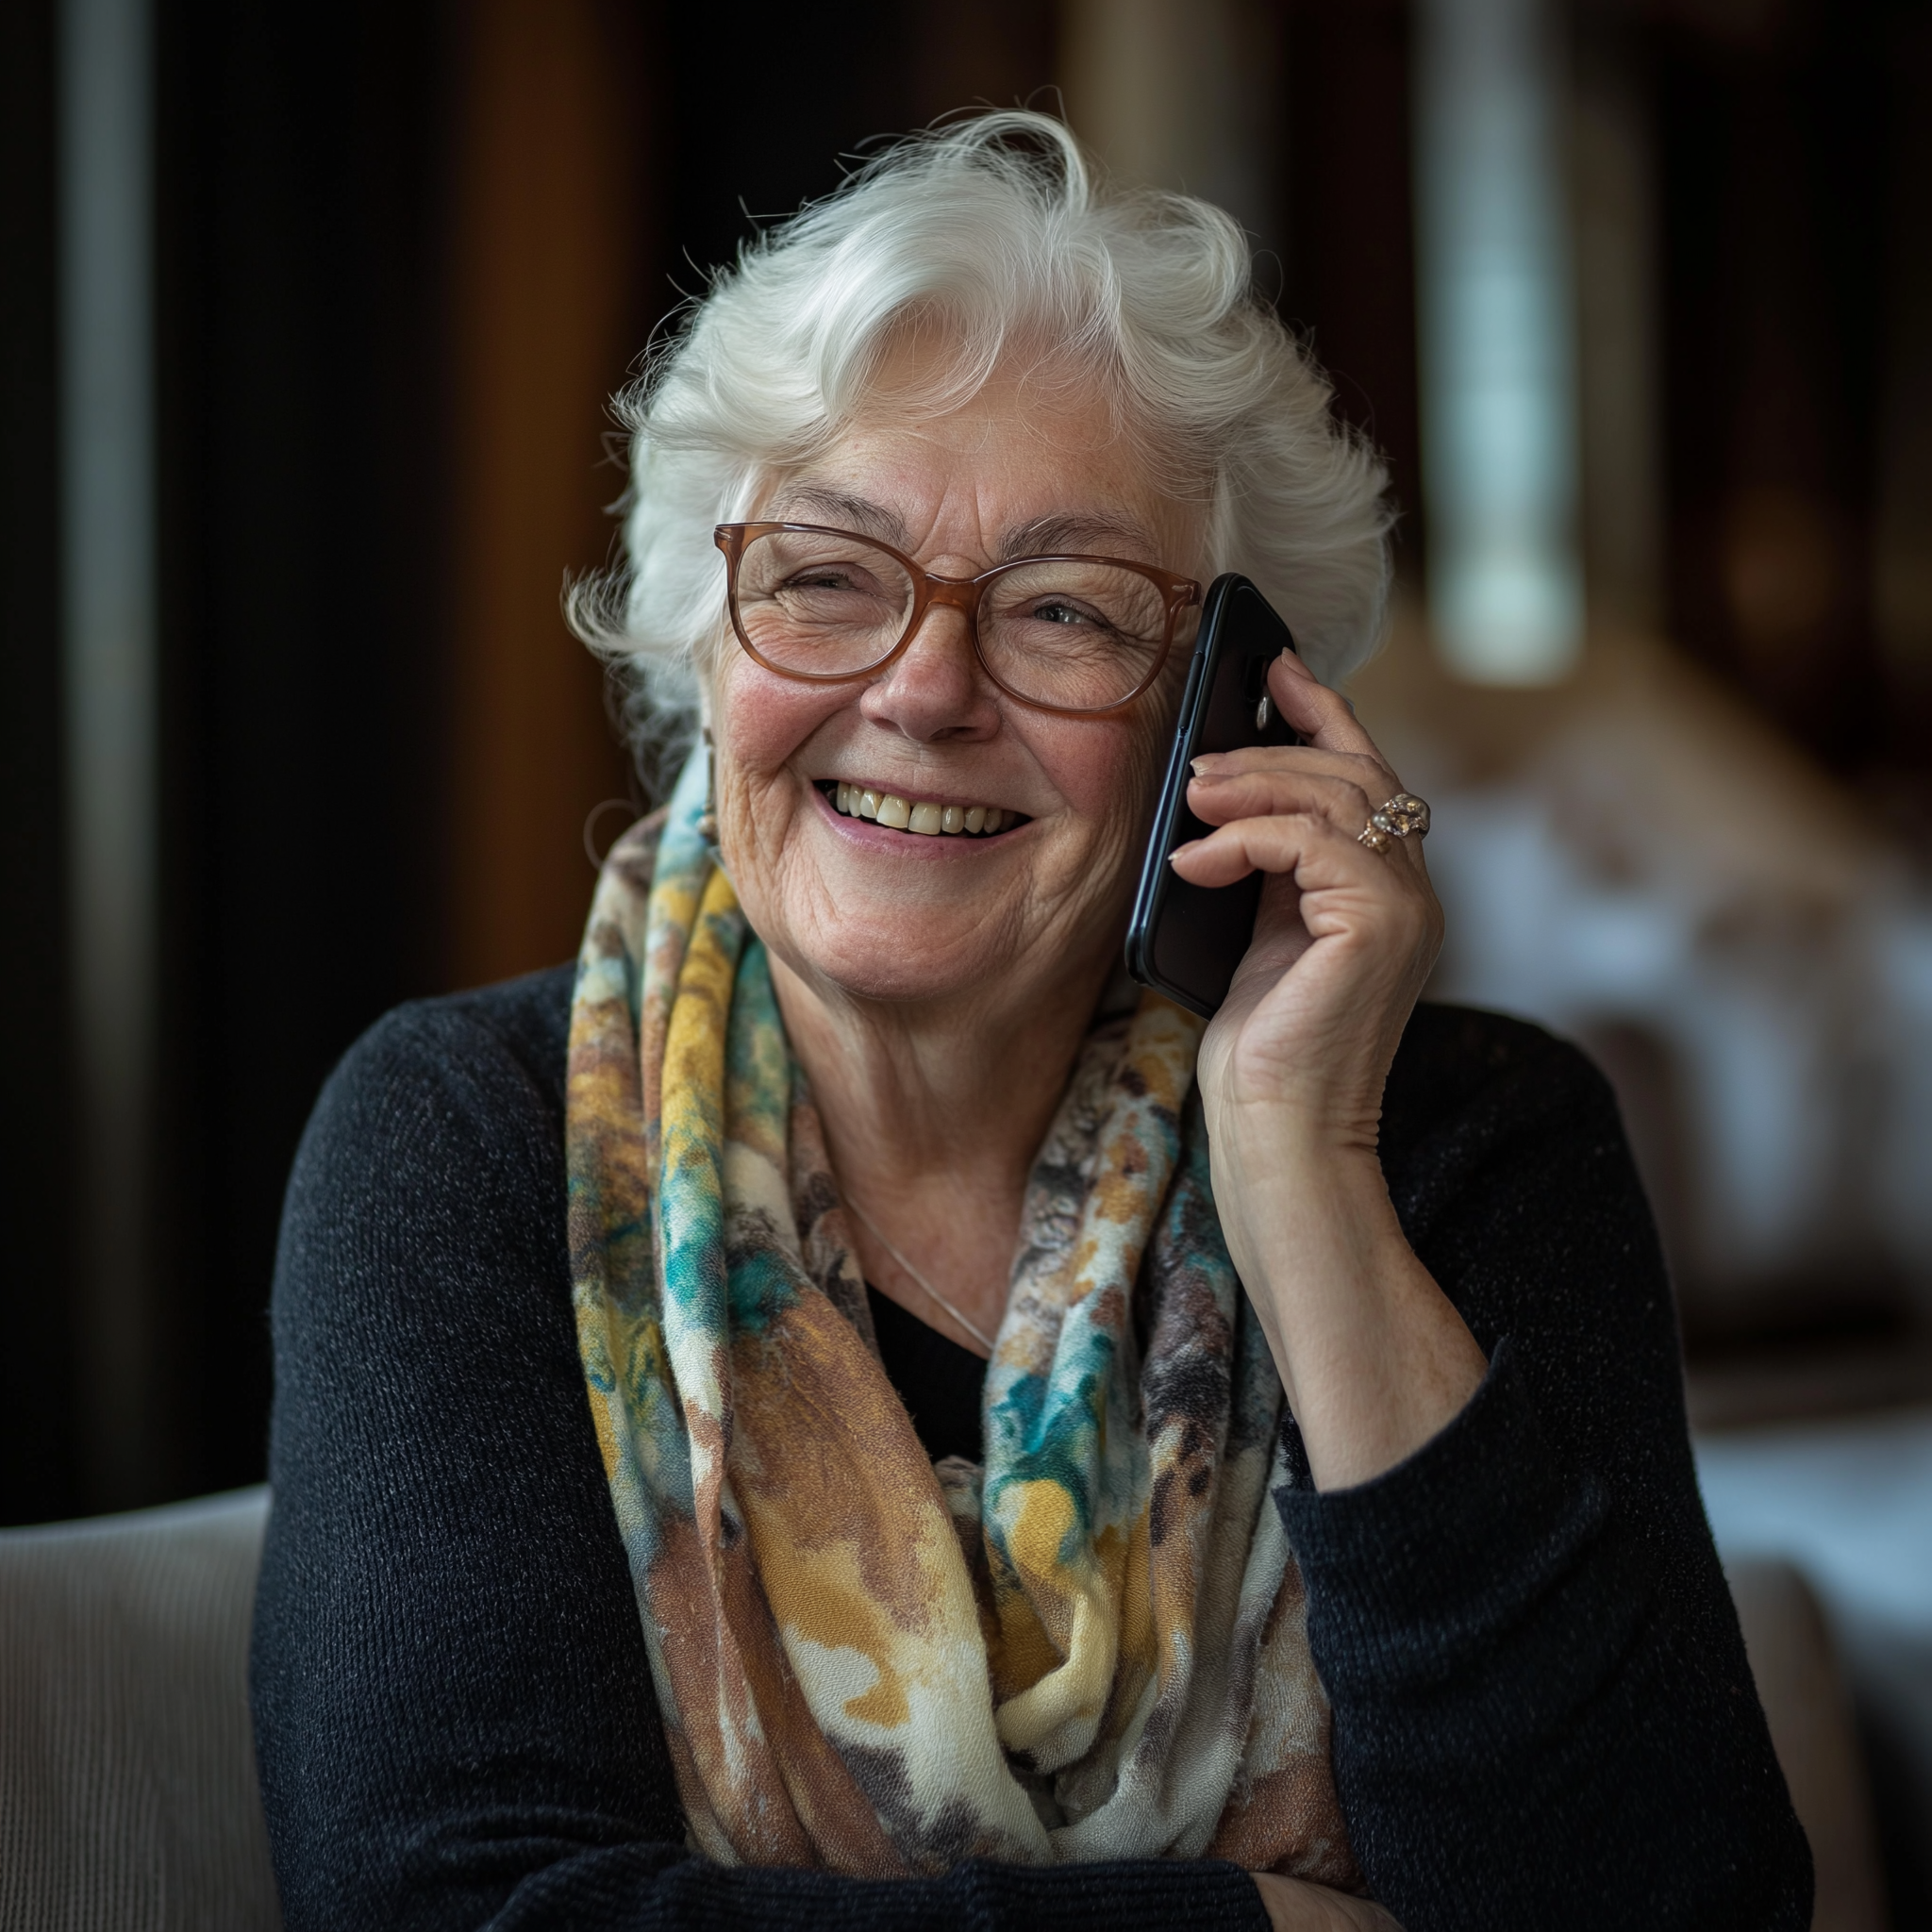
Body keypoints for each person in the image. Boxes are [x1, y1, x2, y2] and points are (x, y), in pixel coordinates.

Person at [250, 113, 1810, 1932]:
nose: (921, 688)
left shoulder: (1475, 1141)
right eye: (824, 577)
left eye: (1066, 611)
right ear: (705, 642)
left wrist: (1308, 1170)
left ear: (1228, 724)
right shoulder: (470, 1137)